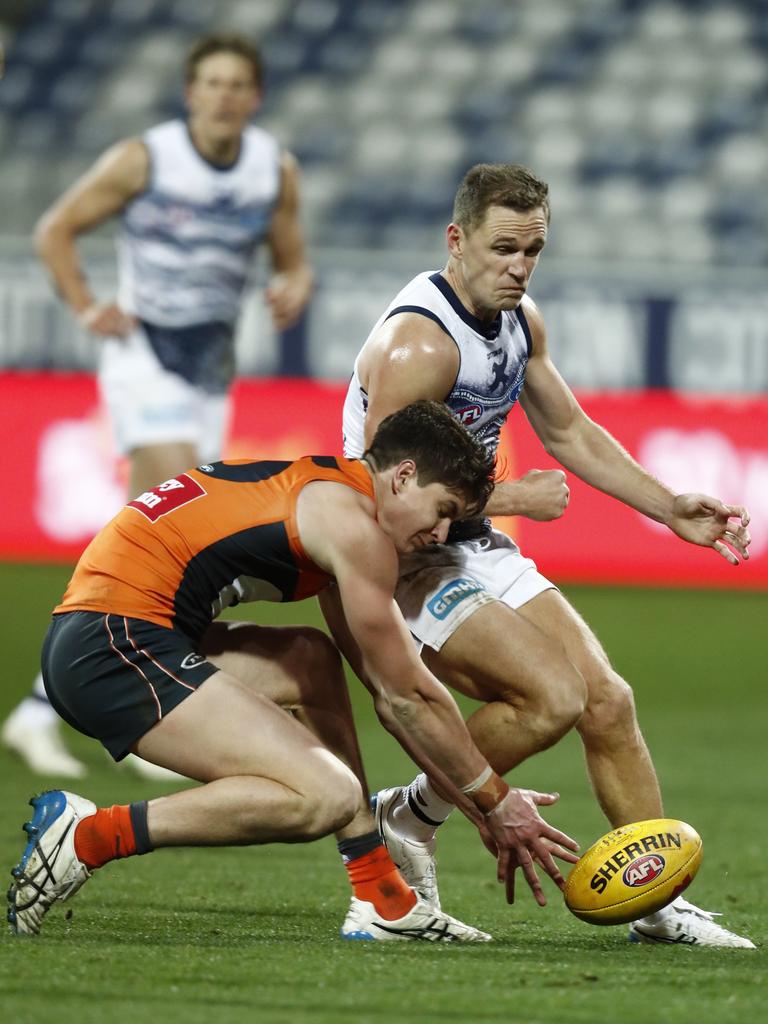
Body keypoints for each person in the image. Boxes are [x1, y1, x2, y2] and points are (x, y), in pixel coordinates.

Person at [329, 163, 756, 949]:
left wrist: (668, 508)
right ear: (457, 241)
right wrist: (512, 499)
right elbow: (378, 493)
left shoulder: (520, 319)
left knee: (608, 701)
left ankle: (657, 904)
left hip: (468, 539)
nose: (519, 268)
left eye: (534, 251)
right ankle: (414, 813)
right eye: (503, 249)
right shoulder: (419, 344)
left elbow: (568, 431)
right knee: (551, 697)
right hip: (400, 556)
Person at [7, 401, 579, 942]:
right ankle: (85, 837)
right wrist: (493, 798)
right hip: (111, 648)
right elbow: (409, 697)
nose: (442, 534)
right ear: (403, 476)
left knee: (310, 660)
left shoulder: (330, 489)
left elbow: (389, 694)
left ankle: (380, 894)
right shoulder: (356, 531)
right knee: (324, 796)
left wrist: (474, 790)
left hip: (109, 632)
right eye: (444, 511)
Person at [2, 33, 314, 780]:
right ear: (190, 92)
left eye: (238, 84)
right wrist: (84, 304)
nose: (224, 95)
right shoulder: (146, 158)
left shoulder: (274, 169)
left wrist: (293, 284)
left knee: (167, 542)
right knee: (173, 530)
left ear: (255, 96)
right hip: (146, 357)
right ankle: (105, 705)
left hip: (211, 368)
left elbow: (292, 255)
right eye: (211, 82)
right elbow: (56, 231)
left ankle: (56, 706)